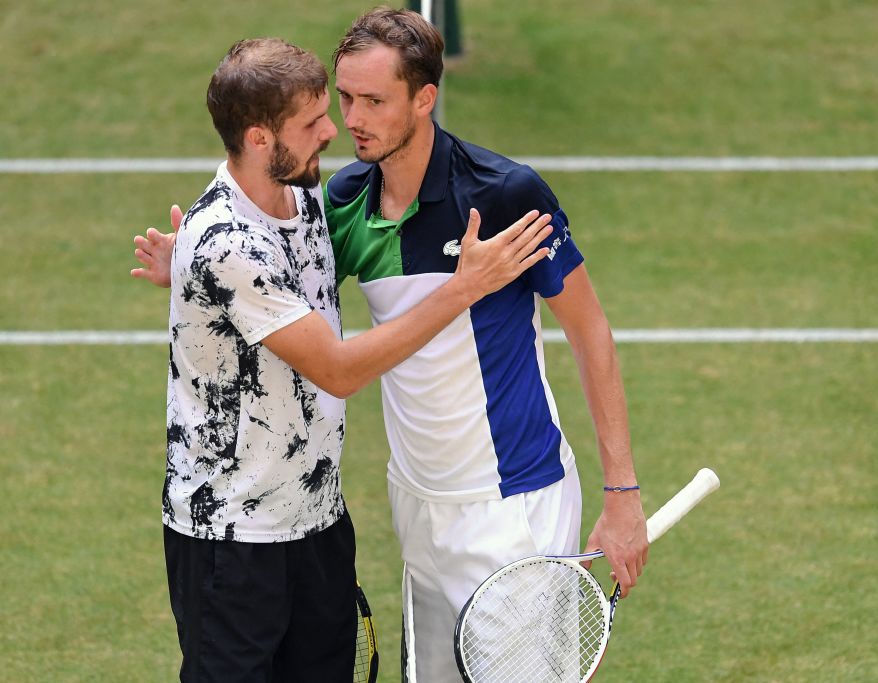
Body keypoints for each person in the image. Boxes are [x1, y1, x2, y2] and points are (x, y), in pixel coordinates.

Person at [133, 8, 648, 681]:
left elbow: (590, 329)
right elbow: (266, 253)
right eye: (345, 98)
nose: (350, 121)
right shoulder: (342, 202)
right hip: (417, 509)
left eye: (373, 100)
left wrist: (623, 494)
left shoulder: (503, 195)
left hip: (513, 506)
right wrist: (195, 259)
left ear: (424, 98)